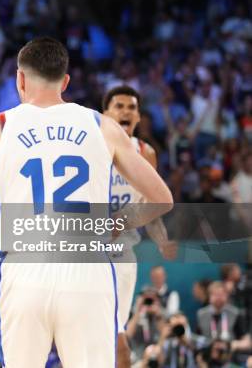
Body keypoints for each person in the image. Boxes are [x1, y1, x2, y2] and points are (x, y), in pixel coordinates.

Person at [0, 37, 173, 367]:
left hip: (24, 271)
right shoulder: (102, 126)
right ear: (65, 81)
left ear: (20, 79)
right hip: (88, 271)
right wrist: (114, 224)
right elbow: (162, 199)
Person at [102, 85, 178, 367]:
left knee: (117, 334)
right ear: (105, 114)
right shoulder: (92, 145)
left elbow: (152, 205)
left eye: (131, 107)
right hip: (86, 247)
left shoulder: (145, 152)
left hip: (122, 251)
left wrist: (161, 240)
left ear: (138, 117)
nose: (126, 111)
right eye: (119, 106)